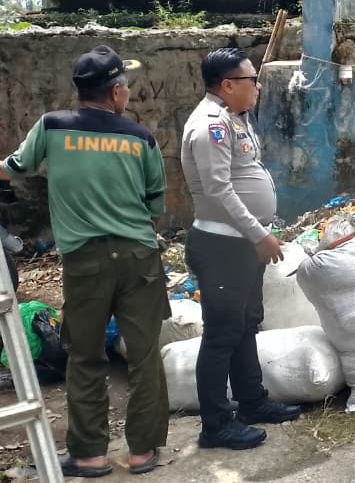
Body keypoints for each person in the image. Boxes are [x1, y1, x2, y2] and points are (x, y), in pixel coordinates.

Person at [0, 45, 168, 477]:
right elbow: (154, 206)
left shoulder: (52, 127)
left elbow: (15, 166)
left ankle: (90, 455)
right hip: (138, 258)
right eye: (125, 87)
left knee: (85, 356)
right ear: (115, 93)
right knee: (145, 356)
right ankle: (142, 452)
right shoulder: (141, 138)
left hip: (83, 262)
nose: (127, 93)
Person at [180, 47, 298, 451]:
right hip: (222, 245)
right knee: (221, 335)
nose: (258, 86)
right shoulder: (210, 125)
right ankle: (215, 425)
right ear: (228, 85)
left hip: (240, 244)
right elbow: (218, 189)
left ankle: (252, 401)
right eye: (251, 80)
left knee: (247, 324)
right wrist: (257, 234)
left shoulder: (234, 119)